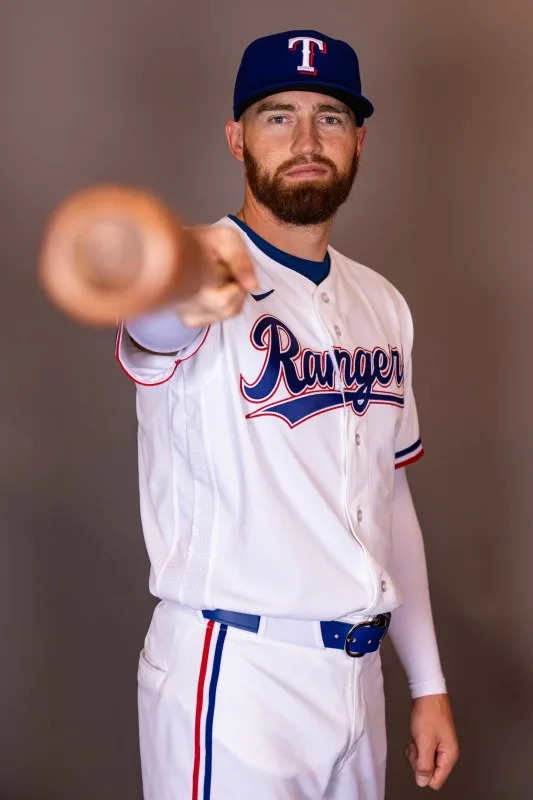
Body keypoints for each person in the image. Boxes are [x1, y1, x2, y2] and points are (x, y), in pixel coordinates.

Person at [113, 29, 459, 800]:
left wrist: (426, 681)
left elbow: (388, 495)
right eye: (277, 115)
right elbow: (155, 325)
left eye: (328, 117)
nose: (305, 138)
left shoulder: (382, 302)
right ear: (236, 138)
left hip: (358, 677)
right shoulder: (194, 263)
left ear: (359, 140)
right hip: (237, 675)